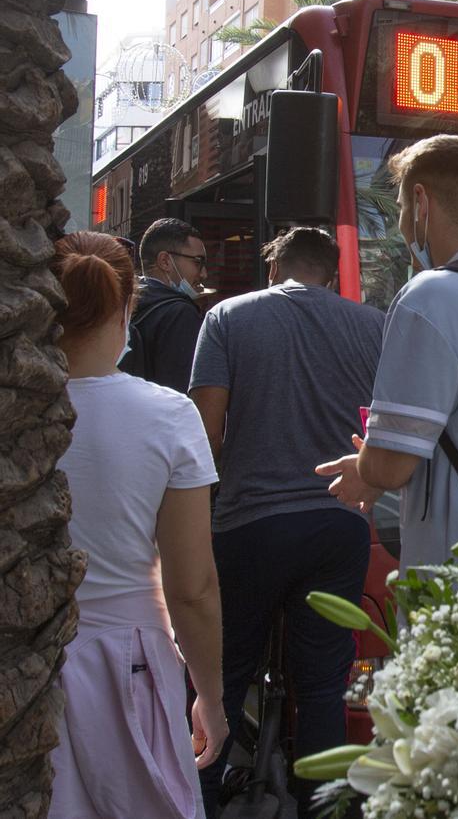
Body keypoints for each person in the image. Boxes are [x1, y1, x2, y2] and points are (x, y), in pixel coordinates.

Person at [189, 227, 384, 817]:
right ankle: (321, 807)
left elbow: (205, 433)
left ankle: (197, 797)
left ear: (274, 268)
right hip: (340, 523)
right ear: (331, 270)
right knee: (324, 682)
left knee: (220, 677)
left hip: (251, 525)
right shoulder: (373, 326)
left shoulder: (227, 317)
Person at [48, 232, 226, 819]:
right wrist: (212, 698)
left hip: (29, 662)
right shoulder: (168, 416)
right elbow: (191, 588)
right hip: (131, 665)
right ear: (128, 308)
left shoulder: (25, 412)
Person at [317, 134, 458, 569]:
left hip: (451, 571)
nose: (400, 224)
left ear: (420, 202)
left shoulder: (430, 296)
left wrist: (366, 466)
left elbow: (391, 467)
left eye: (398, 209)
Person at [119, 217, 209, 393]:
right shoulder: (180, 314)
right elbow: (181, 393)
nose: (204, 273)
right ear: (165, 261)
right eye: (198, 262)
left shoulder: (124, 304)